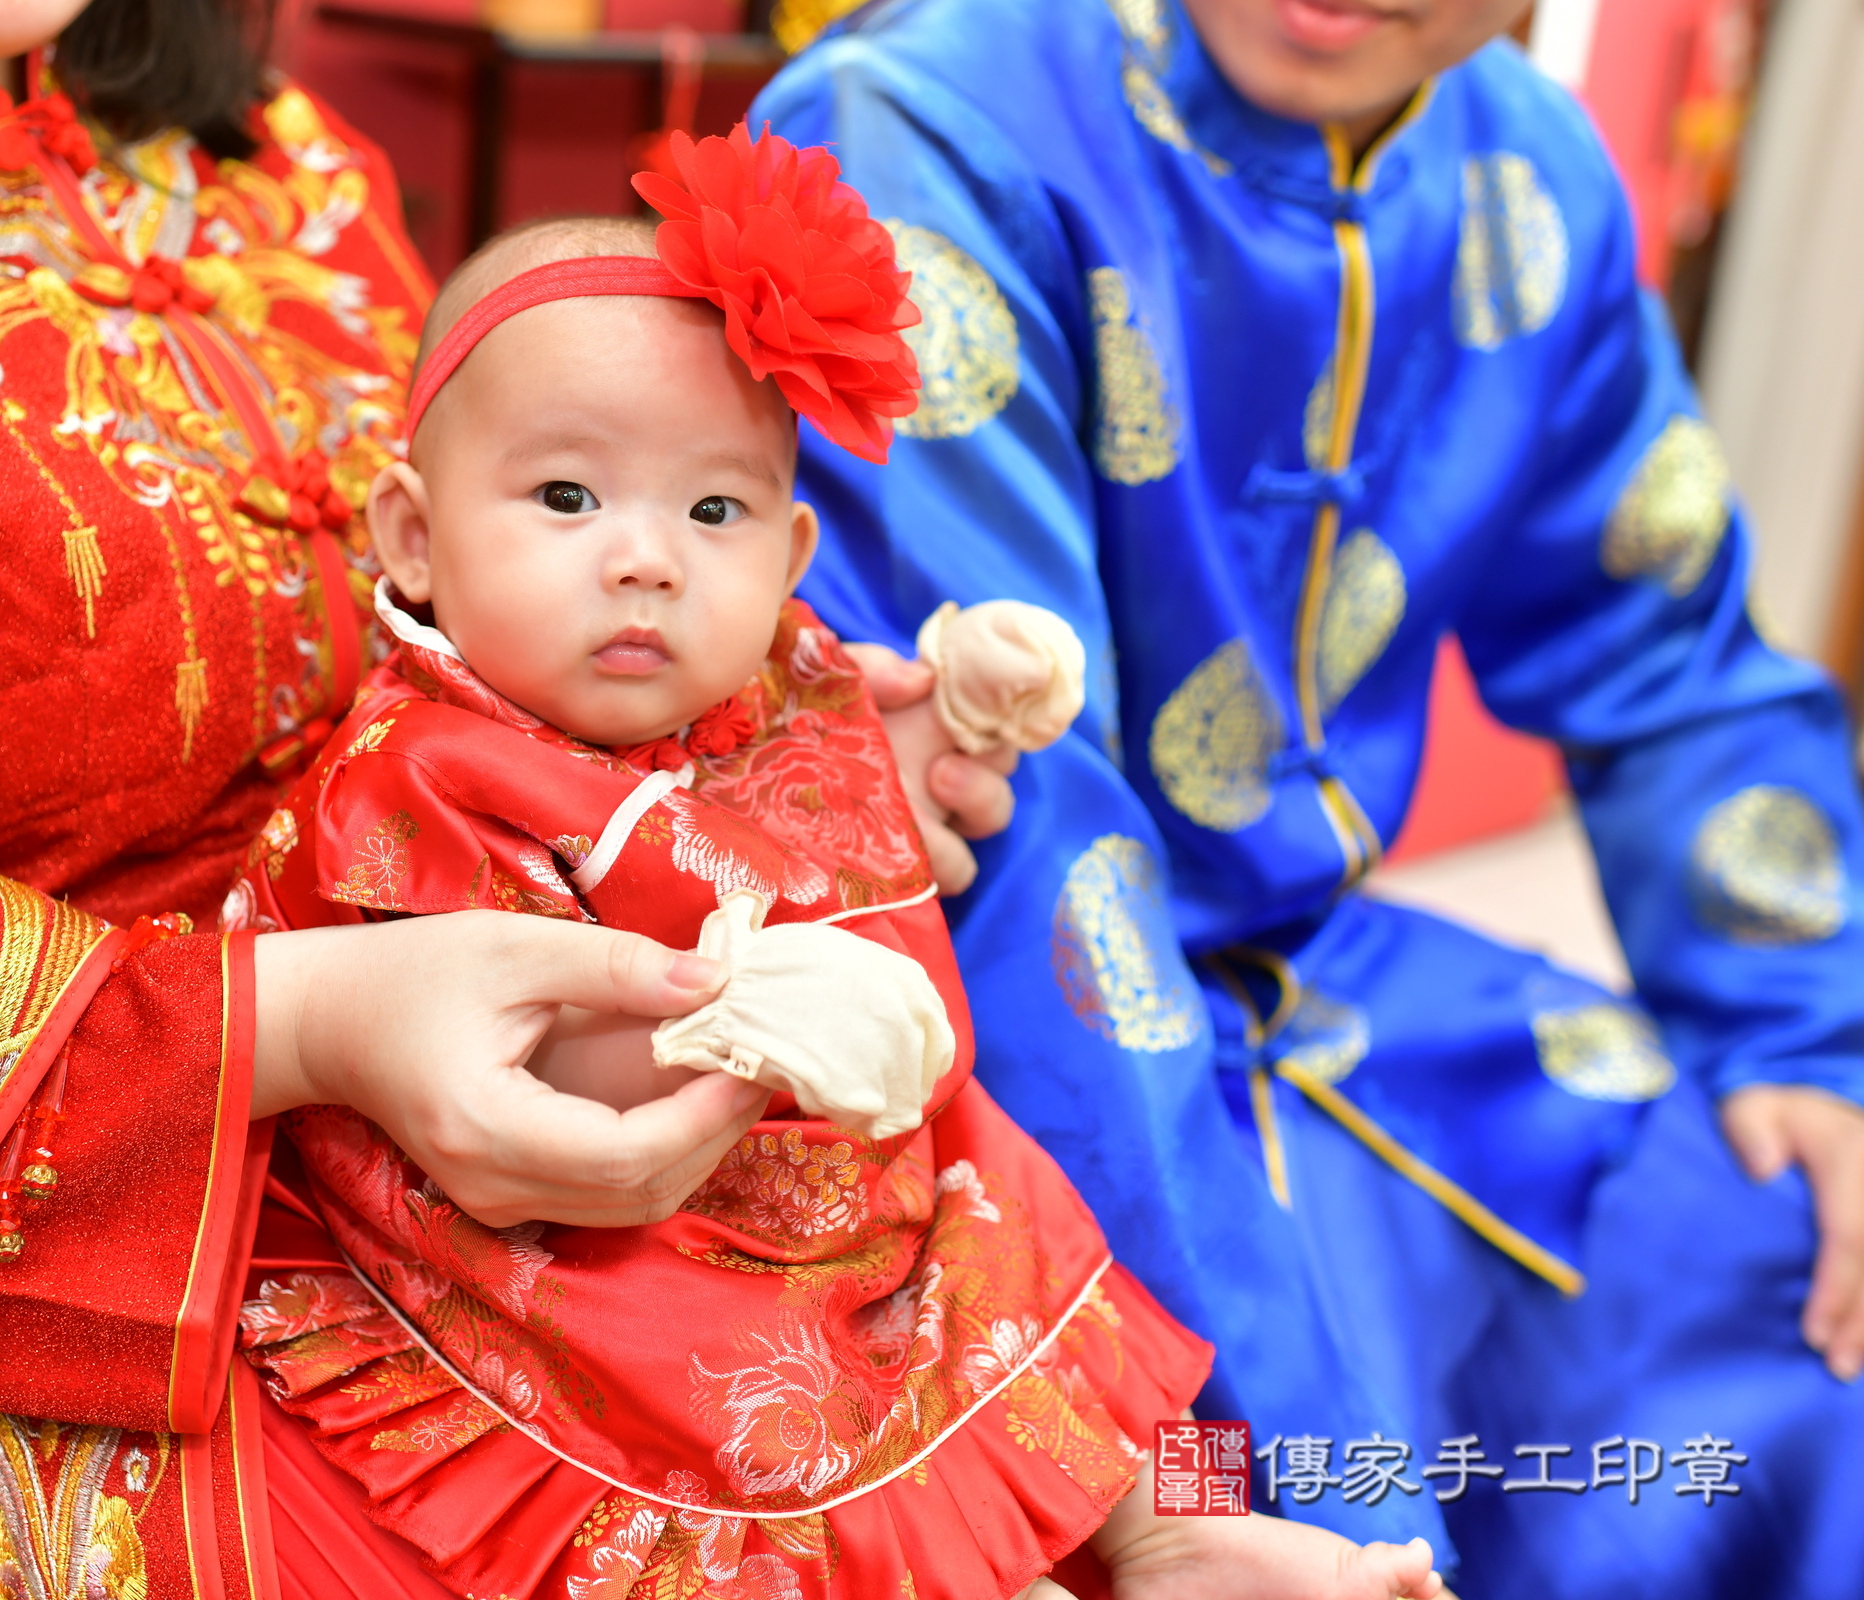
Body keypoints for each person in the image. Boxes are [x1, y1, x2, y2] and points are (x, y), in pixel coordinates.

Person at [0, 4, 998, 1599]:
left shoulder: (278, 157)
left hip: (474, 1177)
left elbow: (471, 597)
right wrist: (294, 1025)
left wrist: (739, 754)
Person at [753, 0, 1864, 1592]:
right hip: (981, 1045)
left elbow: (1669, 645)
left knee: (1795, 1286)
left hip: (1322, 988)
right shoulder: (922, 123)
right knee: (1297, 1494)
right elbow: (1018, 818)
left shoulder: (1526, 174)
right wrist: (1323, 1481)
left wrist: (1808, 1031)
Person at [235, 170, 1448, 1597]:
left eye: (714, 510)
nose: (646, 562)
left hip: (852, 1153)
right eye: (567, 496)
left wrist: (969, 709)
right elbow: (521, 1051)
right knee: (752, 1377)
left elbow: (846, 780)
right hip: (590, 1214)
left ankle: (1161, 1524)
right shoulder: (425, 769)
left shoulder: (776, 677)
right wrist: (743, 1026)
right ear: (415, 540)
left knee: (1027, 1235)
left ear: (790, 552)